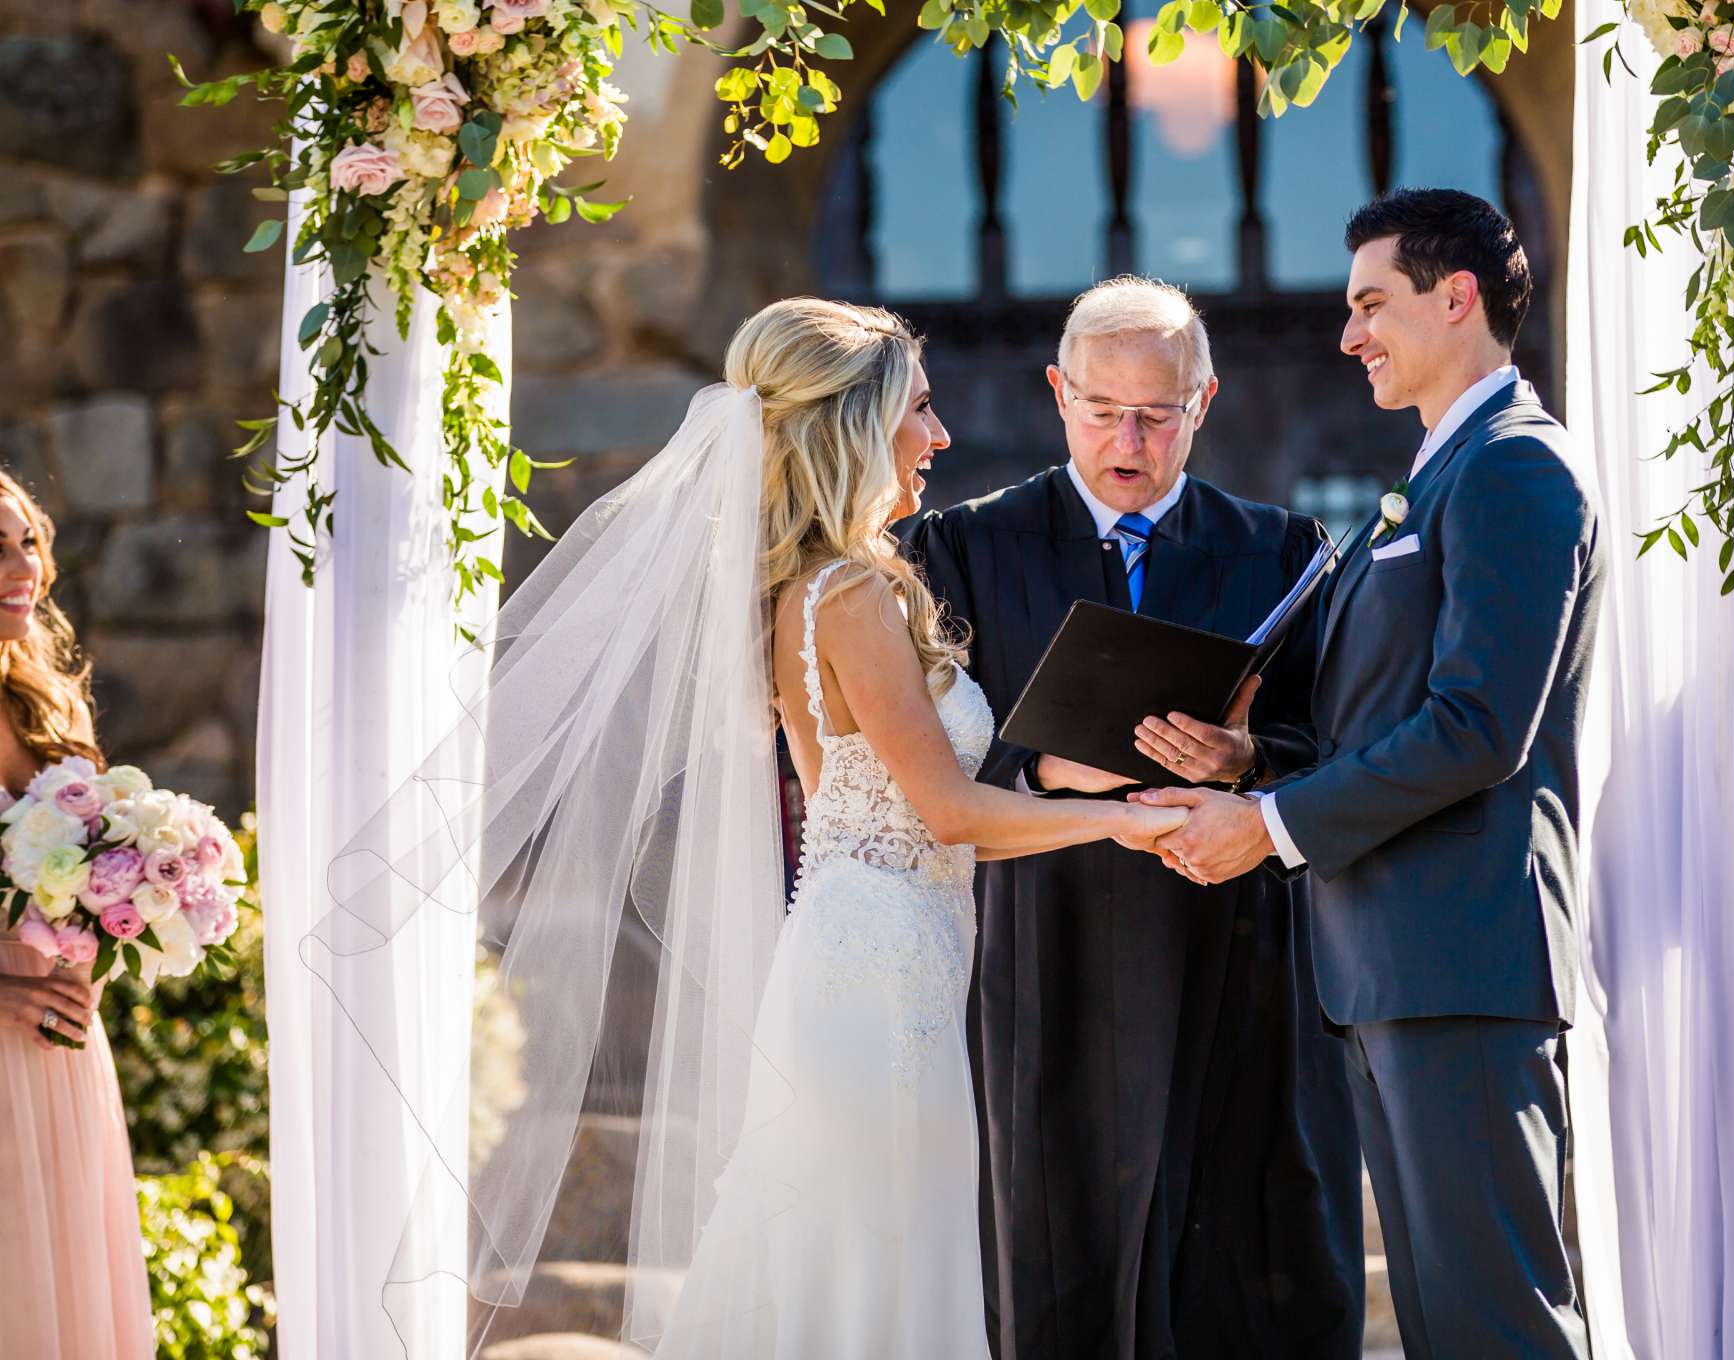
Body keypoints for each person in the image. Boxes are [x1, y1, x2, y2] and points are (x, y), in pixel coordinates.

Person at [307, 300, 1188, 1358]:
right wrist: (1123, 824)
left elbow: (914, 819)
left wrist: (1090, 788)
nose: (941, 435)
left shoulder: (823, 586)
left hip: (876, 952)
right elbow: (948, 812)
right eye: (920, 407)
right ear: (856, 426)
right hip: (876, 980)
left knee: (851, 1260)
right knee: (870, 1267)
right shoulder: (851, 594)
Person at [1143, 188, 1600, 1359]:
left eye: (1370, 304)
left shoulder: (1513, 470)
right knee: (1450, 1325)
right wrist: (1255, 759)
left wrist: (1272, 826)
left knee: (1498, 1320)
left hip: (1460, 958)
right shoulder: (1440, 474)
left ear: (1458, 298)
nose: (1348, 335)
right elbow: (1390, 709)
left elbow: (1478, 728)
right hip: (1392, 963)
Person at [910, 279, 1362, 1360]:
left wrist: (1245, 757)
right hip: (1044, 944)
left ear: (1204, 401)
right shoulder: (965, 547)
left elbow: (1343, 744)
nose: (1130, 438)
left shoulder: (1284, 547)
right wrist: (1048, 767)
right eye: (1105, 408)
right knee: (1058, 1254)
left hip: (1233, 948)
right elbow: (926, 752)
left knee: (1244, 1257)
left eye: (1158, 413)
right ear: (1058, 394)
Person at [0, 468, 155, 1358]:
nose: (20, 565)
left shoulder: (47, 701)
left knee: (70, 1298)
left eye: (26, 542)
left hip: (63, 1048)